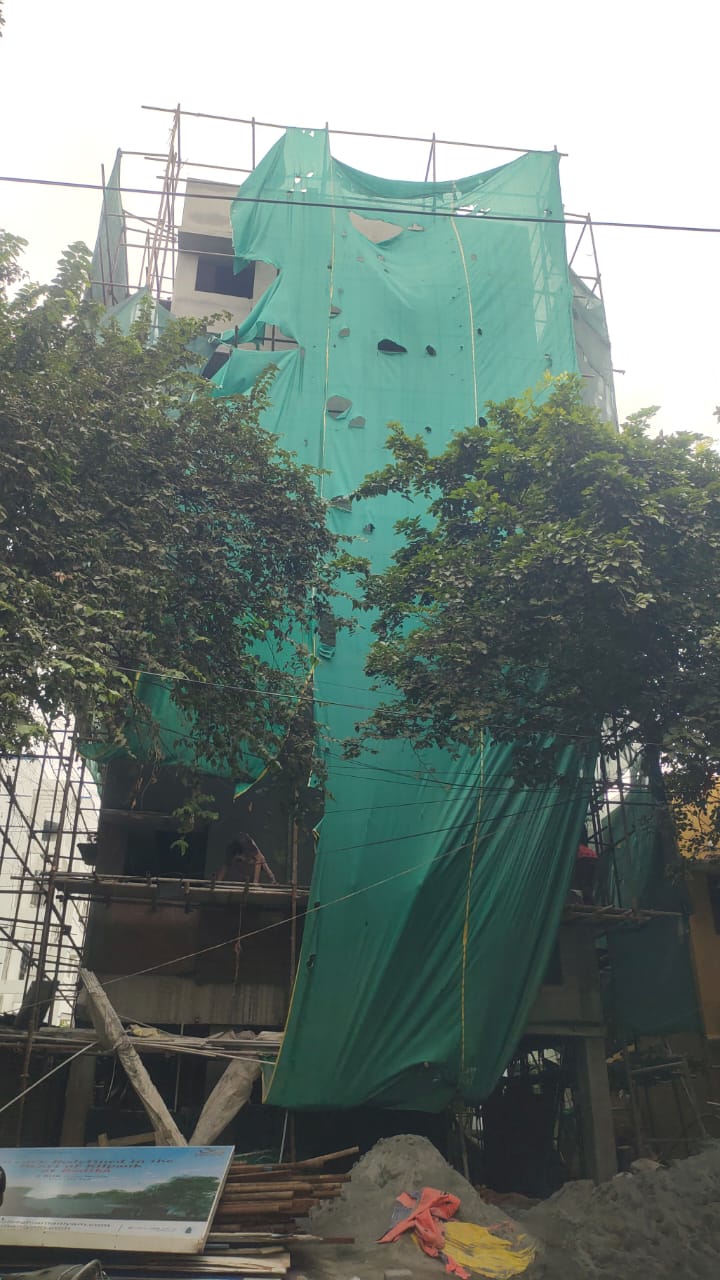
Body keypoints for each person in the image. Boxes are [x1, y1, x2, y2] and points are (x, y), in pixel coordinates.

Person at [572, 827, 598, 905]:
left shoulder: (574, 847)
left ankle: (589, 903)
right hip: (593, 857)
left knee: (583, 884)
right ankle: (589, 902)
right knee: (588, 884)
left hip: (583, 857)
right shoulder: (581, 843)